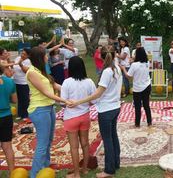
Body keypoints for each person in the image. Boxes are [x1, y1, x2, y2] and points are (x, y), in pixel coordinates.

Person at [68, 45, 122, 178]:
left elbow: (97, 94)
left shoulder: (107, 72)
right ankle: (115, 163)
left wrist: (78, 102)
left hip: (106, 110)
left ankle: (109, 171)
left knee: (108, 139)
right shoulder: (117, 69)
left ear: (101, 57)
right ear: (114, 55)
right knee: (113, 136)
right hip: (115, 107)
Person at [26, 47, 71, 178]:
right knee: (42, 143)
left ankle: (45, 168)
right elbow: (46, 93)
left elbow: (55, 86)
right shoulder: (32, 72)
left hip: (49, 108)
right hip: (39, 110)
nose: (47, 57)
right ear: (40, 58)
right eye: (45, 55)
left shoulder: (42, 71)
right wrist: (64, 100)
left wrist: (74, 88)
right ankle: (34, 174)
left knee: (49, 140)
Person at [61, 56, 96, 178]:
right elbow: (94, 100)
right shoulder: (89, 82)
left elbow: (62, 102)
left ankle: (76, 173)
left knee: (74, 147)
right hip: (85, 116)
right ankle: (85, 169)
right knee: (85, 144)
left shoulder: (67, 82)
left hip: (71, 118)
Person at [120, 48, 152, 127]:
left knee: (137, 107)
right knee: (146, 105)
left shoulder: (134, 65)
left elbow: (128, 76)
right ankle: (149, 122)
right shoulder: (147, 63)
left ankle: (137, 124)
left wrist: (123, 69)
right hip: (147, 86)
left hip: (138, 88)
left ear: (137, 55)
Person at [0, 65, 17, 174]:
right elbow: (14, 100)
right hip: (6, 116)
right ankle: (12, 173)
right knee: (7, 146)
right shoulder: (10, 81)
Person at [13, 48, 31, 120]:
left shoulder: (28, 61)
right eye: (22, 53)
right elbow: (13, 66)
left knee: (25, 99)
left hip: (24, 82)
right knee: (19, 99)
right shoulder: (17, 58)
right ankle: (20, 114)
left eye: (24, 54)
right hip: (16, 81)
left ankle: (26, 114)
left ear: (28, 55)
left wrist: (21, 64)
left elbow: (26, 71)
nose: (22, 55)